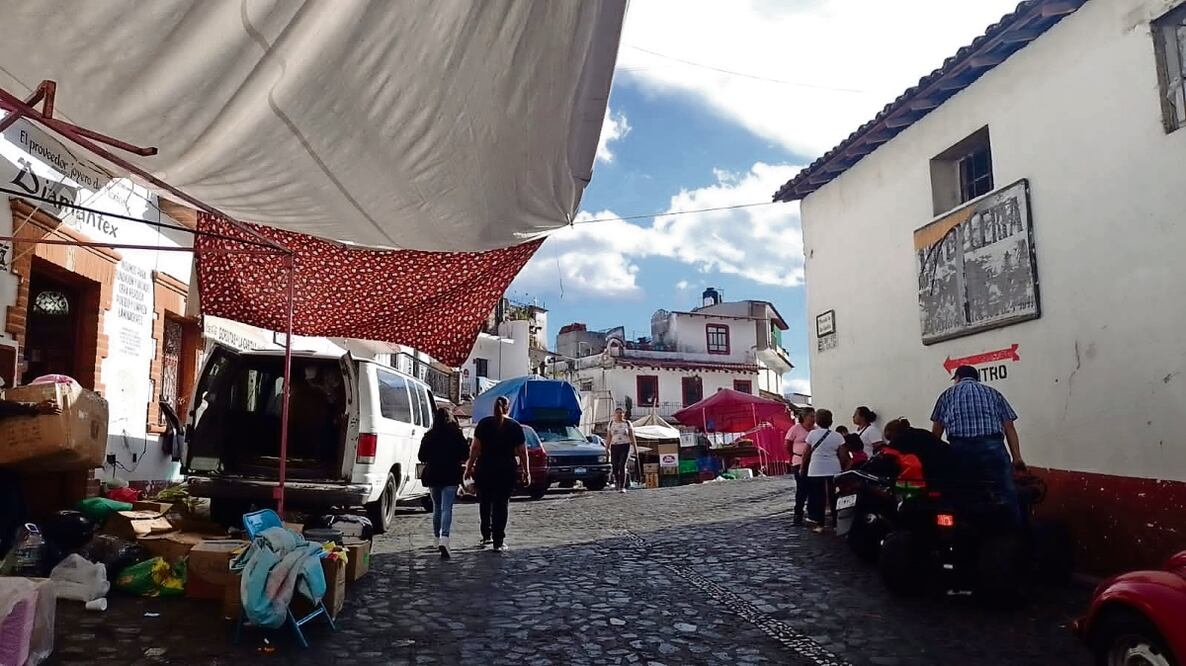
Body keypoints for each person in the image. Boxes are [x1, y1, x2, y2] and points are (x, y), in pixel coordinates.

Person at [930, 365, 1024, 524]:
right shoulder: (993, 393)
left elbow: (936, 433)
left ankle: (965, 530)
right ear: (976, 378)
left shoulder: (946, 395)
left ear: (957, 378)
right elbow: (1009, 427)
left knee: (961, 493)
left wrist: (933, 461)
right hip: (992, 447)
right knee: (1006, 491)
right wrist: (1017, 458)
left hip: (959, 449)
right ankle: (1016, 532)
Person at [465, 396, 530, 552]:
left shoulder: (484, 424)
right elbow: (522, 451)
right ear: (507, 408)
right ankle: (498, 540)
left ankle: (487, 534)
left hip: (485, 468)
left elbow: (475, 448)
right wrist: (526, 471)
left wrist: (469, 467)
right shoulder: (515, 426)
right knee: (502, 504)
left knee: (485, 502)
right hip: (506, 469)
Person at [418, 407, 469, 559]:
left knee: (437, 508)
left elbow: (421, 455)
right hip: (451, 474)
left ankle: (435, 538)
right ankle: (444, 539)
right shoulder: (456, 434)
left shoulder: (429, 435)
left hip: (434, 474)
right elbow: (465, 453)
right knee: (447, 508)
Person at [800, 408, 845, 533]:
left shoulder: (812, 434)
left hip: (816, 468)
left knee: (817, 497)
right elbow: (842, 455)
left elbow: (806, 453)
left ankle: (819, 524)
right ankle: (837, 524)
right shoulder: (838, 436)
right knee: (834, 497)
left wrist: (803, 468)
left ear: (818, 421)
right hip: (834, 468)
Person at [784, 408, 816, 526]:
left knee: (813, 489)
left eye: (814, 417)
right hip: (798, 460)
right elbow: (787, 444)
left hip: (813, 462)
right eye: (811, 416)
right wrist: (793, 455)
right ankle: (798, 514)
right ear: (805, 417)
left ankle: (812, 513)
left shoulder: (815, 430)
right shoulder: (795, 429)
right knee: (802, 488)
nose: (813, 419)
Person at [606, 408, 639, 493]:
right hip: (614, 446)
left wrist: (635, 447)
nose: (619, 414)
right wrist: (606, 448)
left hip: (625, 446)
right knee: (615, 466)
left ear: (623, 414)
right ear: (614, 414)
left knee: (622, 465)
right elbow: (609, 437)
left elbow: (632, 436)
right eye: (617, 413)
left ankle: (622, 486)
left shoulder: (627, 423)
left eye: (621, 413)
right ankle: (617, 482)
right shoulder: (611, 424)